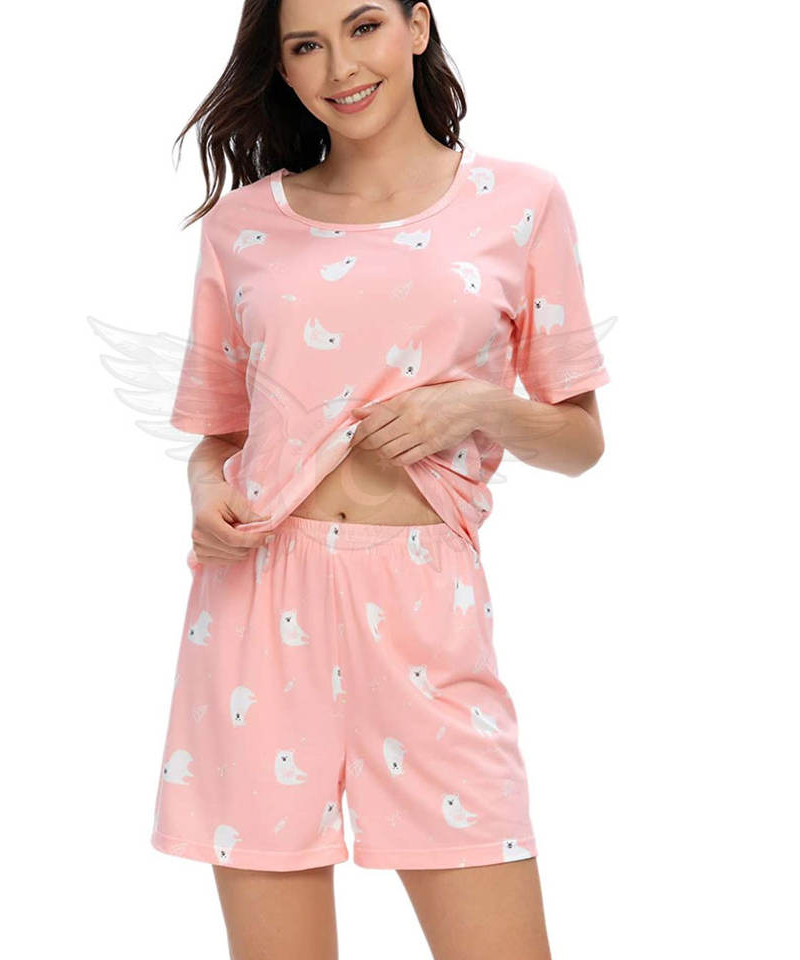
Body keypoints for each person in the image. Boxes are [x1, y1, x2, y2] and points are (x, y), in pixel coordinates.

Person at [151, 2, 609, 957]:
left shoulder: (520, 202)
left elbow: (579, 442)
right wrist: (205, 496)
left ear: (418, 26)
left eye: (363, 27)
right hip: (256, 604)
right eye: (305, 45)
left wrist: (474, 408)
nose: (339, 67)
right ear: (283, 68)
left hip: (422, 603)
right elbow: (219, 436)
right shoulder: (243, 225)